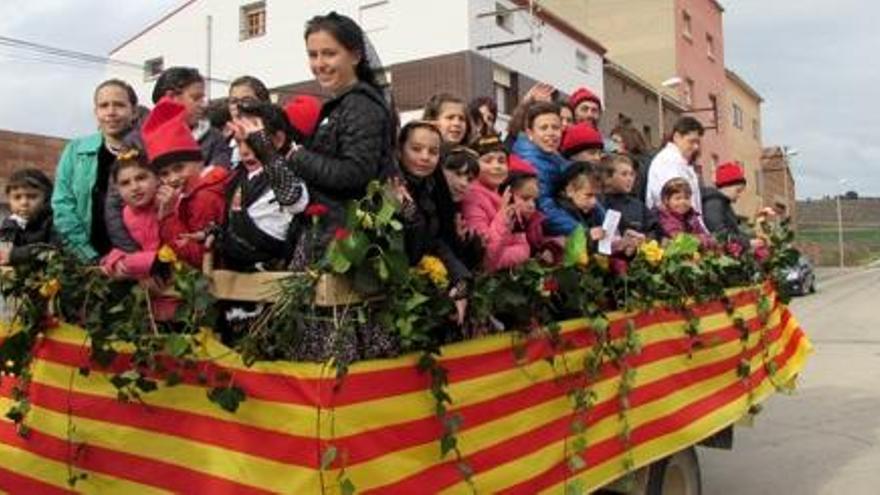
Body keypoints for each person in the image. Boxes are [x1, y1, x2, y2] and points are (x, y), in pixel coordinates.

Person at [250, 12, 394, 248]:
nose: (319, 64)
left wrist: (295, 155)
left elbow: (355, 173)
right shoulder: (343, 103)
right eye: (313, 55)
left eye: (329, 53)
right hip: (330, 234)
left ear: (356, 55)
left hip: (346, 244)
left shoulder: (361, 105)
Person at [53, 79, 138, 262]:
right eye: (104, 106)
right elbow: (62, 205)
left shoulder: (146, 151)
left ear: (134, 111)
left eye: (119, 105)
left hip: (137, 264)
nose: (111, 112)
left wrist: (140, 260)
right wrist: (88, 256)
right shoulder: (76, 151)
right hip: (85, 263)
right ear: (96, 112)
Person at [219, 102, 309, 272]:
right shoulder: (236, 179)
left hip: (277, 279)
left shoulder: (292, 170)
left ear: (278, 140)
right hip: (236, 278)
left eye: (251, 141)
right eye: (239, 143)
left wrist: (265, 151)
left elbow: (294, 201)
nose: (244, 151)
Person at [395, 121, 470, 323]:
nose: (425, 157)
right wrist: (408, 214)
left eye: (433, 151)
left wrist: (461, 282)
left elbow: (435, 242)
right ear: (400, 151)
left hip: (422, 293)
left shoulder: (430, 188)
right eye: (416, 149)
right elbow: (407, 252)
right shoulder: (385, 188)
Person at [143, 98, 229, 269]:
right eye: (164, 173)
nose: (173, 178)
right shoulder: (187, 194)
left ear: (199, 161)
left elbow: (199, 258)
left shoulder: (205, 197)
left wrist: (168, 218)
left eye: (179, 168)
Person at [99, 149, 176, 321]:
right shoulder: (127, 213)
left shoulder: (172, 202)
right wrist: (121, 263)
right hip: (152, 299)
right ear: (117, 190)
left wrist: (132, 265)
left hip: (180, 291)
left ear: (157, 178)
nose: (134, 187)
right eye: (125, 183)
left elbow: (172, 254)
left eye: (141, 178)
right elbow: (128, 252)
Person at [461, 135, 542, 272]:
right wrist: (503, 217)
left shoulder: (505, 196)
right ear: (474, 166)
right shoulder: (471, 198)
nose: (497, 166)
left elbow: (523, 246)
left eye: (501, 161)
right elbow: (486, 259)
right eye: (488, 160)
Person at [511, 101, 583, 236]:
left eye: (555, 128)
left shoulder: (553, 156)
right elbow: (545, 208)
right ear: (530, 132)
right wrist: (582, 232)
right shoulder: (530, 163)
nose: (551, 133)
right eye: (544, 128)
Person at [601, 154, 660, 255]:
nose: (629, 179)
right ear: (608, 178)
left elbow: (654, 228)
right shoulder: (600, 203)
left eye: (632, 174)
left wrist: (645, 239)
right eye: (624, 174)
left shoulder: (637, 205)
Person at [645, 117, 704, 214]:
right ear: (677, 137)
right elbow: (674, 200)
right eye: (691, 141)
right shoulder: (667, 162)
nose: (696, 147)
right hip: (674, 224)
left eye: (698, 142)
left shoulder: (680, 162)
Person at [0, 169, 56, 266]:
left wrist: (15, 255)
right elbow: (4, 251)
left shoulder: (51, 222)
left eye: (32, 197)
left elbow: (52, 252)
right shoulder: (10, 223)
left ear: (46, 198)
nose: (24, 203)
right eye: (17, 197)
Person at [702, 161, 758, 251]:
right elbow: (719, 233)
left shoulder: (723, 203)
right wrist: (748, 242)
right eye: (738, 190)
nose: (739, 195)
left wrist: (750, 238)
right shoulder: (714, 203)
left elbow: (733, 231)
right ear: (727, 186)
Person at [655, 178, 714, 249]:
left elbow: (704, 234)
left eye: (687, 198)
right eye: (678, 198)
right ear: (666, 200)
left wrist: (706, 240)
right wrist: (700, 239)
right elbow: (679, 238)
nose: (683, 202)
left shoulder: (691, 216)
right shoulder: (665, 217)